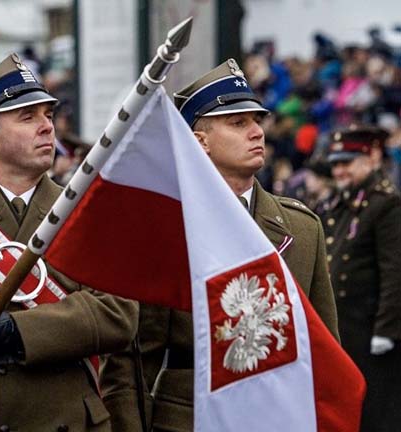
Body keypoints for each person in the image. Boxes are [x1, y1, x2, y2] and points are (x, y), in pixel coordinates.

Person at [100, 59, 340, 432]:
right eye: (238, 122)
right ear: (200, 141)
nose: (257, 132)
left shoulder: (301, 227)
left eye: (258, 120)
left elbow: (325, 353)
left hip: (278, 417)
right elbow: (134, 362)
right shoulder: (166, 232)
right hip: (190, 416)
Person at [0, 53, 137, 431]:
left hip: (70, 419)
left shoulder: (87, 211)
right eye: (28, 117)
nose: (47, 127)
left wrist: (18, 332)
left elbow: (119, 316)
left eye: (48, 115)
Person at [323, 124, 401, 432]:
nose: (339, 171)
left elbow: (395, 271)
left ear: (373, 157)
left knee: (377, 414)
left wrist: (386, 329)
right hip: (344, 330)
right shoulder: (340, 205)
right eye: (336, 164)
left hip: (372, 332)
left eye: (347, 163)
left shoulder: (386, 205)